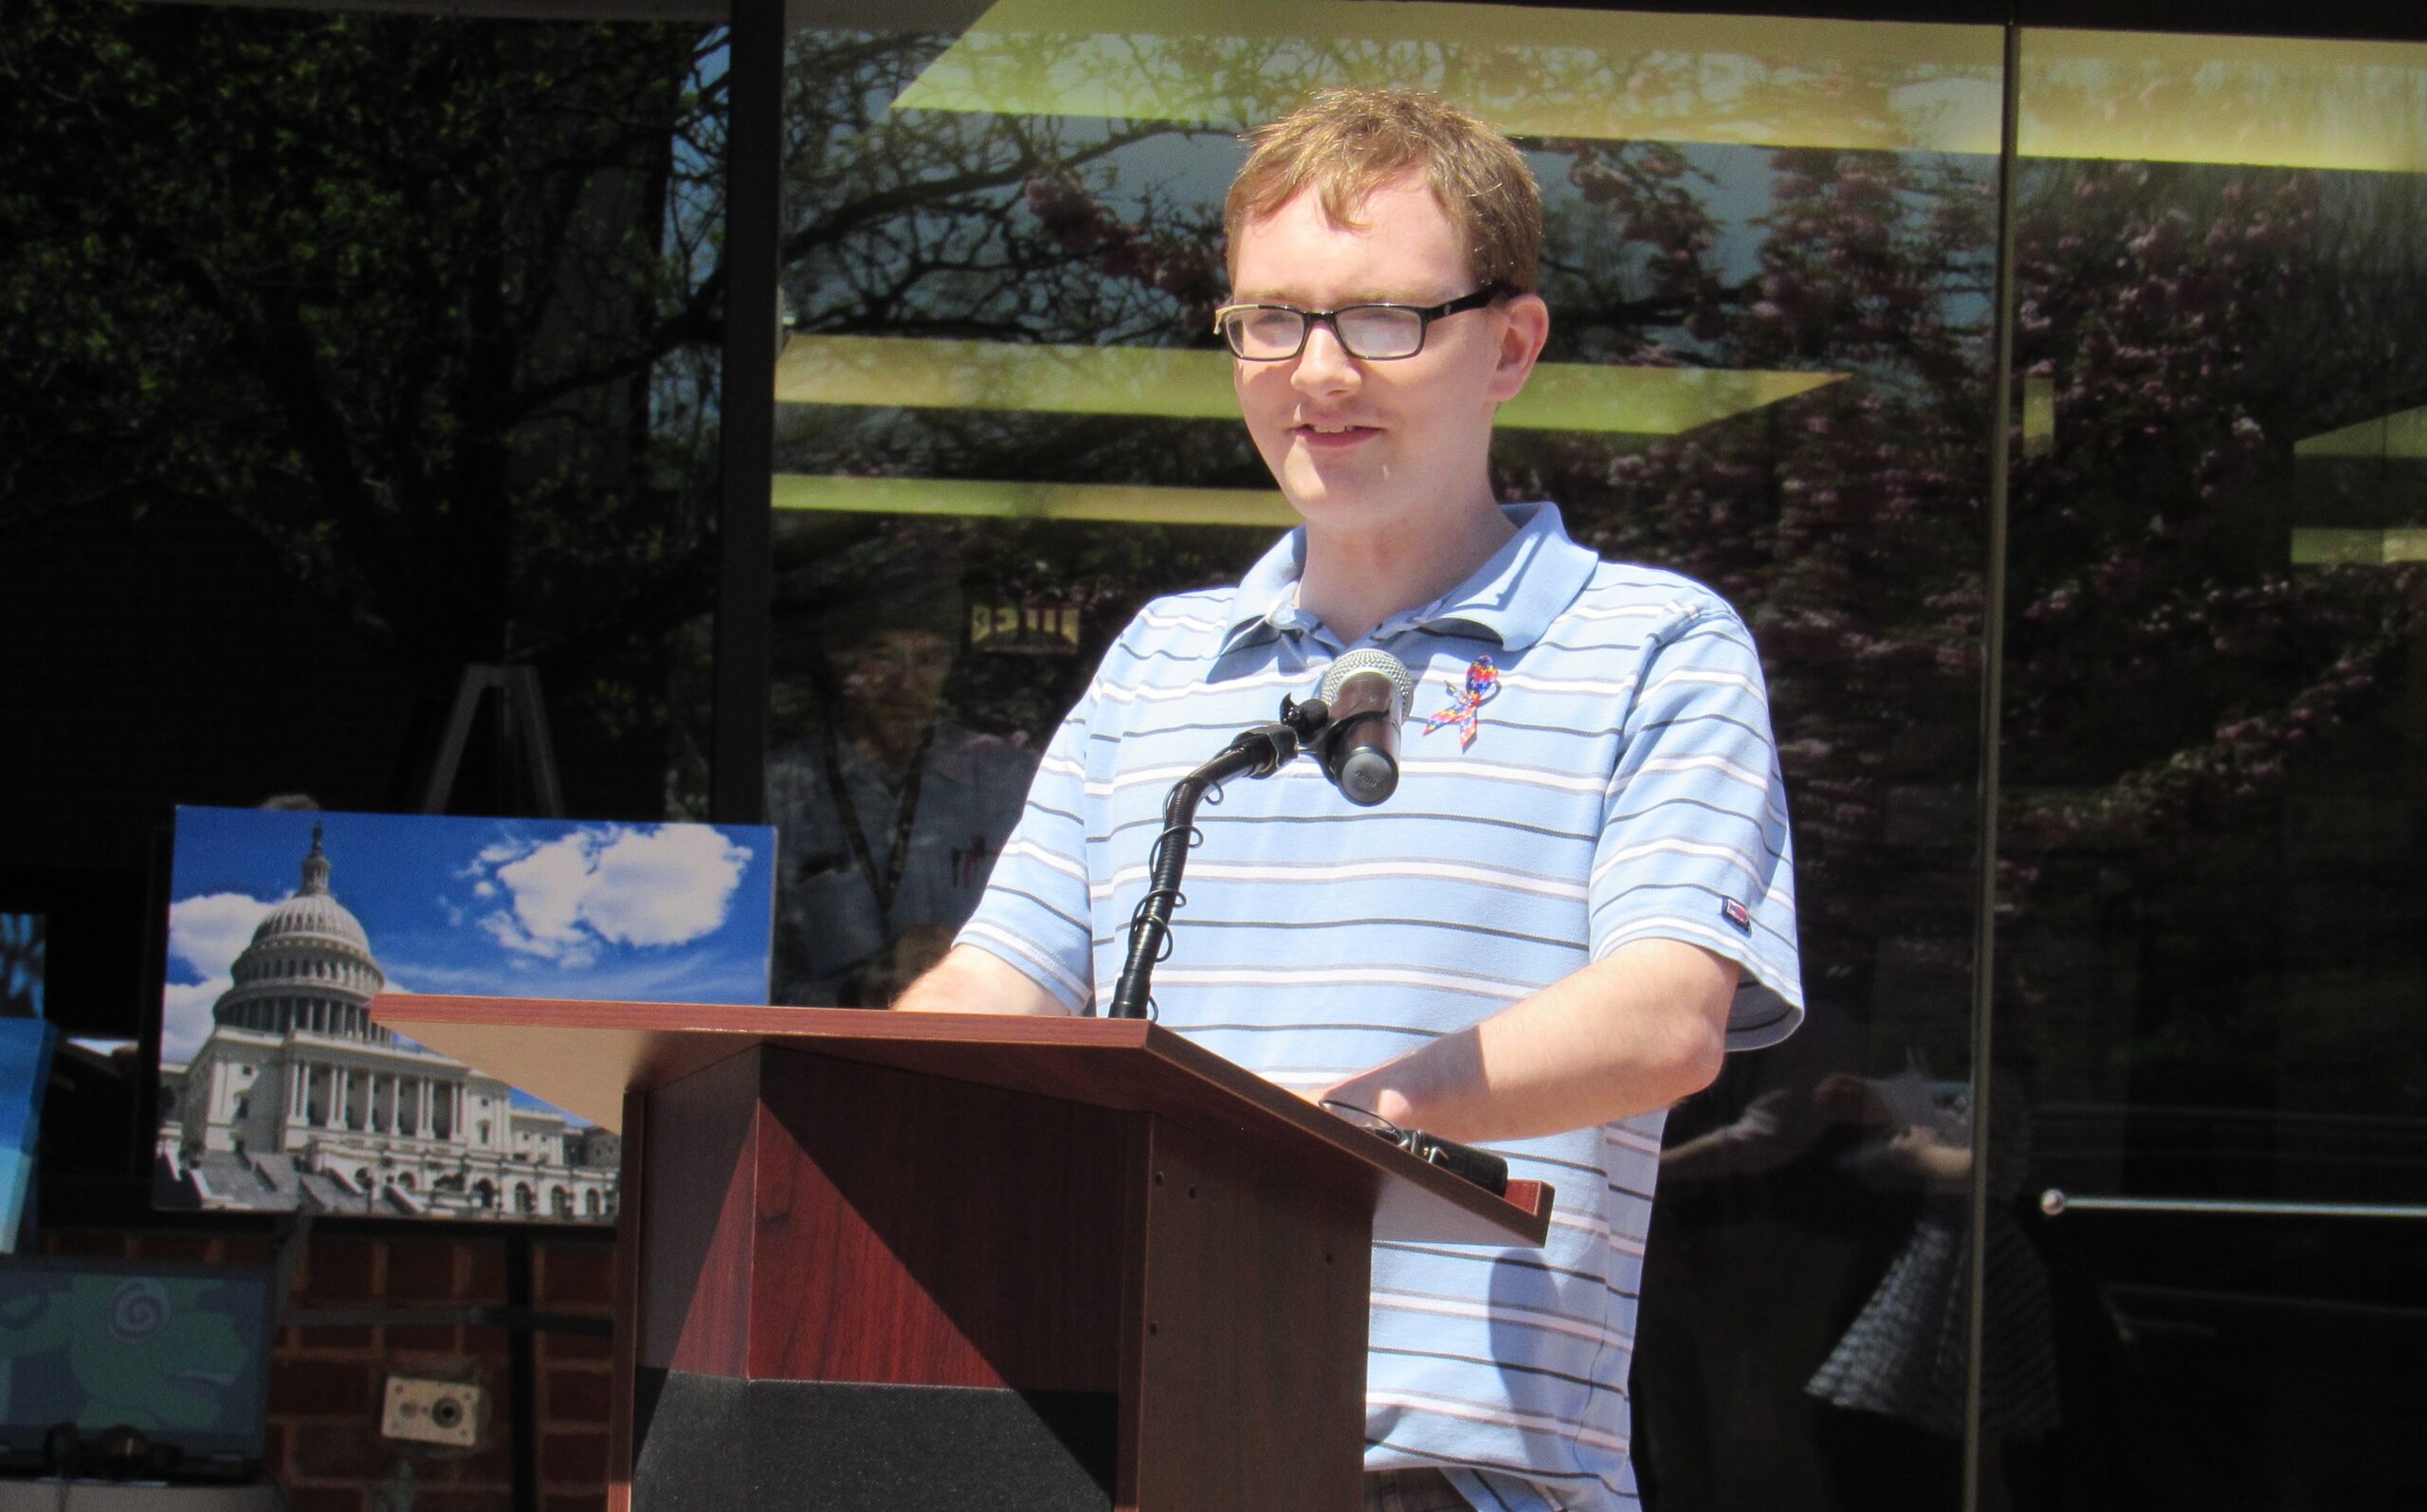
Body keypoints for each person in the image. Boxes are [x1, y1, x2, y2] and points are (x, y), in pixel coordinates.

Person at [896, 88, 1804, 1512]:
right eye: (1270, 320)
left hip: (1455, 1480)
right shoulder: (1160, 666)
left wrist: (1325, 1139)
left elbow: (1669, 1015)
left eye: (1381, 317)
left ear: (1510, 344)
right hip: (1118, 1445)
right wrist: (844, 1093)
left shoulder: (1653, 647)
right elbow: (1001, 982)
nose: (1316, 373)